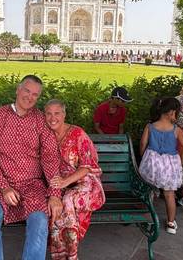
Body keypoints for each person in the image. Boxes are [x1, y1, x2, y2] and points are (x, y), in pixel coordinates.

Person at [0, 75, 63, 260]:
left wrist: (55, 193)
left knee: (39, 220)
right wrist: (4, 186)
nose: (30, 97)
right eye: (27, 91)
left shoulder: (40, 120)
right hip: (0, 184)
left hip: (32, 184)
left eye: (35, 95)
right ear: (18, 89)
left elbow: (50, 158)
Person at [44, 99, 105, 260]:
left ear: (64, 114)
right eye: (48, 114)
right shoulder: (45, 135)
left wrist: (65, 182)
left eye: (57, 113)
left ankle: (71, 255)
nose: (52, 118)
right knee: (55, 206)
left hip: (86, 182)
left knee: (68, 200)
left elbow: (86, 167)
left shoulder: (77, 133)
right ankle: (61, 254)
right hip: (61, 185)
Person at [139, 97, 183, 234]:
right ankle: (171, 223)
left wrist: (144, 157)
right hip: (169, 165)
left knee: (149, 189)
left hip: (152, 163)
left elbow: (143, 144)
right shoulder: (176, 129)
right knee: (169, 194)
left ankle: (143, 216)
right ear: (171, 112)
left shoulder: (150, 126)